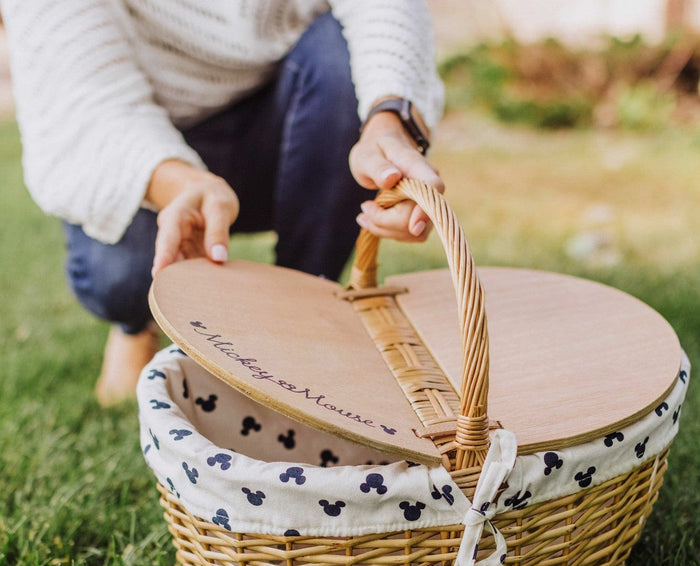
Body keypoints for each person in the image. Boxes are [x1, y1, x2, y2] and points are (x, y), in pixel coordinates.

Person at [1, 0, 445, 405]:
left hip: (289, 107)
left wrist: (387, 120)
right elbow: (84, 94)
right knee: (118, 278)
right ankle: (137, 324)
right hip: (143, 131)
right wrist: (178, 183)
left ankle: (299, 322)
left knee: (341, 57)